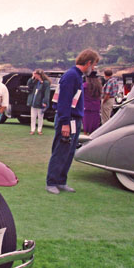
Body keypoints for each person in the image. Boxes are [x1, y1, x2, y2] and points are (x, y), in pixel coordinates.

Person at [46, 48, 100, 194]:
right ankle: (51, 182)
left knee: (69, 151)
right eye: (94, 65)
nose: (94, 68)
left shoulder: (77, 76)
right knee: (60, 150)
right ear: (88, 62)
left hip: (74, 120)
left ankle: (61, 181)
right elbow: (64, 101)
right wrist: (65, 122)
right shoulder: (71, 76)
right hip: (68, 119)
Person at [26, 69, 51, 135]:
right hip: (33, 101)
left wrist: (45, 102)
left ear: (39, 75)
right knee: (33, 117)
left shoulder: (46, 83)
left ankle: (39, 130)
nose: (34, 76)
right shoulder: (34, 81)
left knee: (40, 117)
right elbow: (29, 85)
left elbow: (47, 93)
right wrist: (32, 78)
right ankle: (32, 129)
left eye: (35, 74)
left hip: (40, 102)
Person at [82, 70, 102, 135]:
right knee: (94, 125)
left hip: (87, 107)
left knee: (86, 125)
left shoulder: (85, 86)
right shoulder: (99, 86)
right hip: (96, 108)